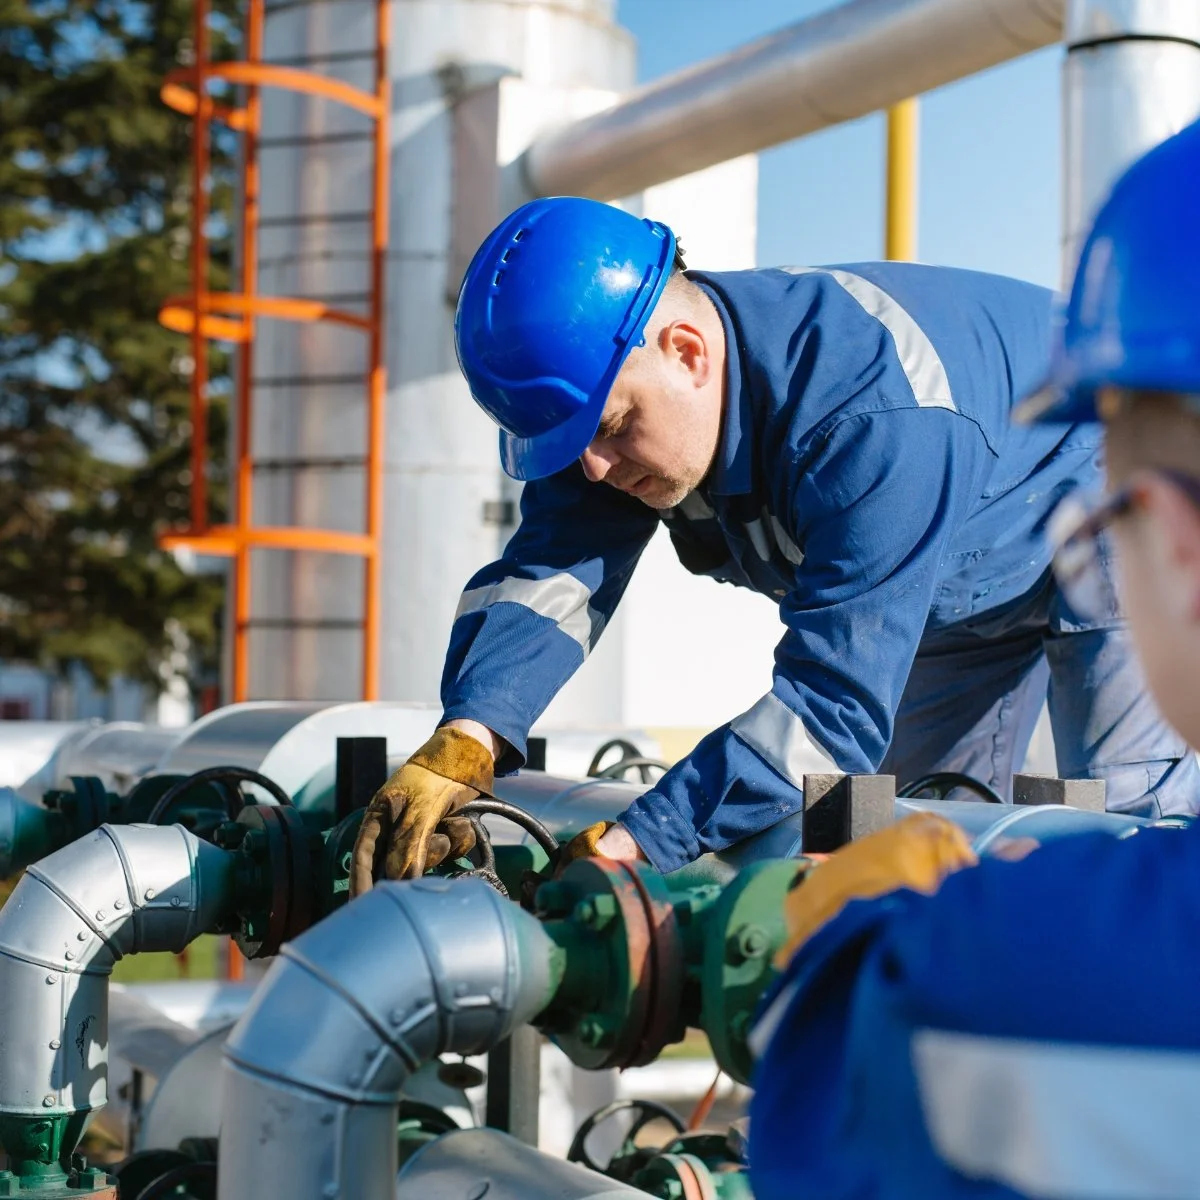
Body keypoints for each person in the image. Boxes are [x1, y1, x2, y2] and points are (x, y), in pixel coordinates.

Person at [351, 192, 1199, 894]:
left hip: (1106, 516)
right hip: (952, 579)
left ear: (686, 352)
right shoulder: (619, 401)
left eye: (612, 431)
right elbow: (547, 576)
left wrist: (639, 844)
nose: (598, 471)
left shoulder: (870, 416)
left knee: (1126, 849)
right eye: (575, 450)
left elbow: (830, 713)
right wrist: (471, 733)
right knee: (906, 845)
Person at [746, 118, 1200, 1200]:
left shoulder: (981, 986)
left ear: (1178, 543)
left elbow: (828, 1124)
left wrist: (851, 946)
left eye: (1101, 534)